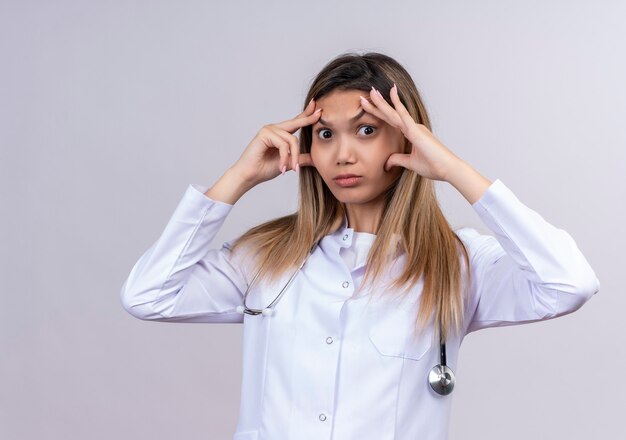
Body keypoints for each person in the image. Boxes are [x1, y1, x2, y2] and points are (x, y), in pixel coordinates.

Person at [119, 51, 600, 440]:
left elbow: (569, 283)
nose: (342, 154)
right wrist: (238, 177)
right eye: (326, 134)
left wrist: (455, 170)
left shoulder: (457, 264)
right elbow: (147, 295)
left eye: (366, 130)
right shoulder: (267, 256)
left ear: (410, 138)